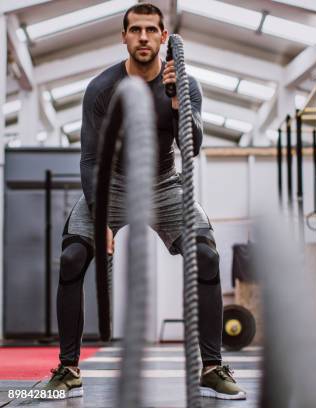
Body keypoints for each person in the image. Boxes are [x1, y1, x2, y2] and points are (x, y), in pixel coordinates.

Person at [43, 3, 246, 401]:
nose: (143, 37)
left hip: (164, 184)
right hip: (110, 184)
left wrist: (176, 103)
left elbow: (195, 145)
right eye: (135, 29)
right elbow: (89, 158)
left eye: (151, 30)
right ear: (123, 36)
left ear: (163, 37)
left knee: (206, 255)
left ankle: (211, 368)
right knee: (71, 258)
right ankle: (68, 369)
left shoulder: (186, 84)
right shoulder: (102, 89)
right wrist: (99, 218)